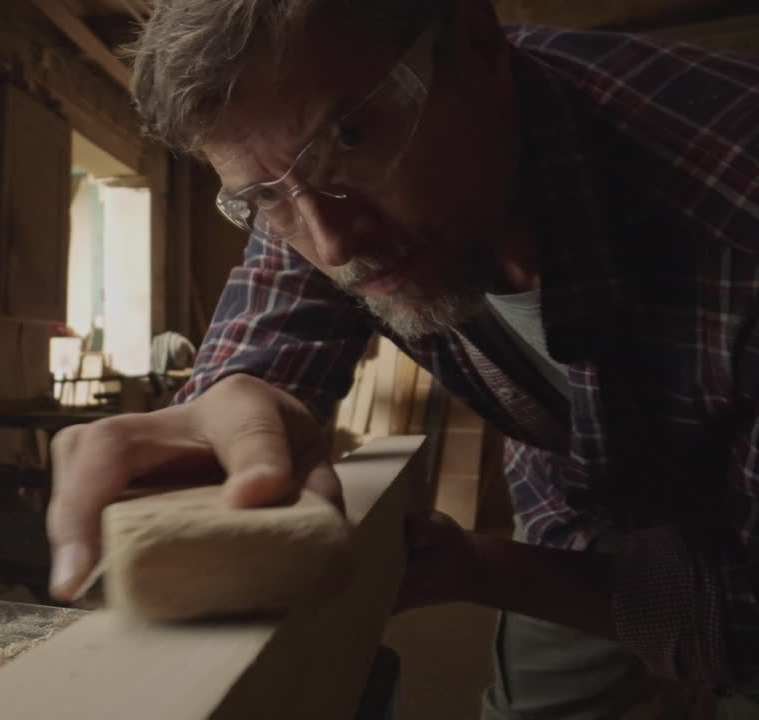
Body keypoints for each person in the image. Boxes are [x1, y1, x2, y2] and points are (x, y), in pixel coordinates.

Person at [44, 0, 759, 716]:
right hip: (577, 497)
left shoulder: (733, 212)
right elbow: (280, 291)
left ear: (478, 45)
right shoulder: (317, 179)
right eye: (265, 199)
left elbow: (741, 619)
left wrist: (484, 568)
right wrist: (239, 399)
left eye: (348, 140)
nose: (331, 245)